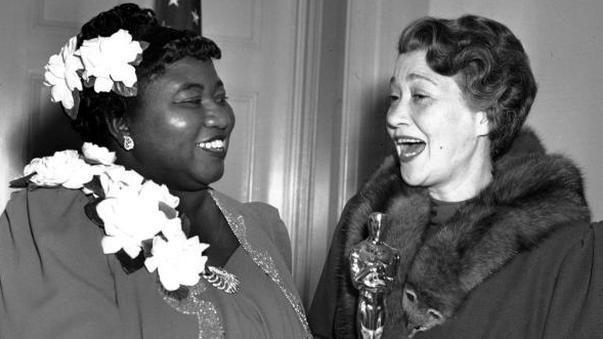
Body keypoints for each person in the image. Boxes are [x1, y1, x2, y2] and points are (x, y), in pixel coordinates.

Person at [0, 4, 310, 338]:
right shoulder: (54, 224)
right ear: (121, 124)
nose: (222, 118)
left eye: (221, 98)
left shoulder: (263, 227)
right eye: (191, 101)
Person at [309, 14, 603, 338]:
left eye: (420, 96)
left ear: (486, 117)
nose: (393, 116)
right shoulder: (366, 220)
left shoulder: (562, 250)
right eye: (395, 97)